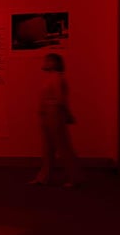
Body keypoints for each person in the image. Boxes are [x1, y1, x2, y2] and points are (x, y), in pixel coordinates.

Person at [29, 53, 83, 188]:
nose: (45, 62)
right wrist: (41, 112)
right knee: (47, 148)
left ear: (55, 63)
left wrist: (67, 114)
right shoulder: (50, 78)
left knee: (63, 147)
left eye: (48, 60)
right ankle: (43, 177)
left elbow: (60, 100)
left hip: (54, 114)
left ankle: (74, 178)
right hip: (47, 114)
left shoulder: (58, 78)